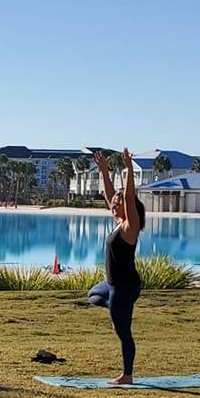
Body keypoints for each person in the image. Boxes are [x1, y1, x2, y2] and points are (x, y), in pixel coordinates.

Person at [88, 148, 146, 385]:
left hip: (125, 286)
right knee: (92, 295)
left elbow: (129, 198)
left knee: (122, 332)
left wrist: (130, 169)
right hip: (111, 286)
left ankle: (127, 375)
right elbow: (111, 194)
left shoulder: (129, 228)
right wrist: (104, 171)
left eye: (117, 202)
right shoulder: (119, 221)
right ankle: (116, 307)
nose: (112, 203)